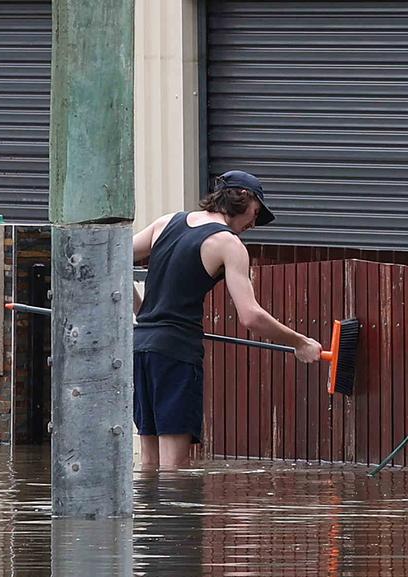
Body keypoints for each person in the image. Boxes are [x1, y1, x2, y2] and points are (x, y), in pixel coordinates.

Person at [132, 170, 322, 470]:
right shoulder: (227, 243)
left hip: (140, 347)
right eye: (255, 214)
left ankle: (147, 517)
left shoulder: (167, 221)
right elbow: (250, 315)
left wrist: (141, 312)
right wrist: (300, 342)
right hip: (177, 353)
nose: (253, 224)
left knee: (149, 463)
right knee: (174, 468)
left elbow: (111, 259)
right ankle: (171, 518)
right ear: (242, 199)